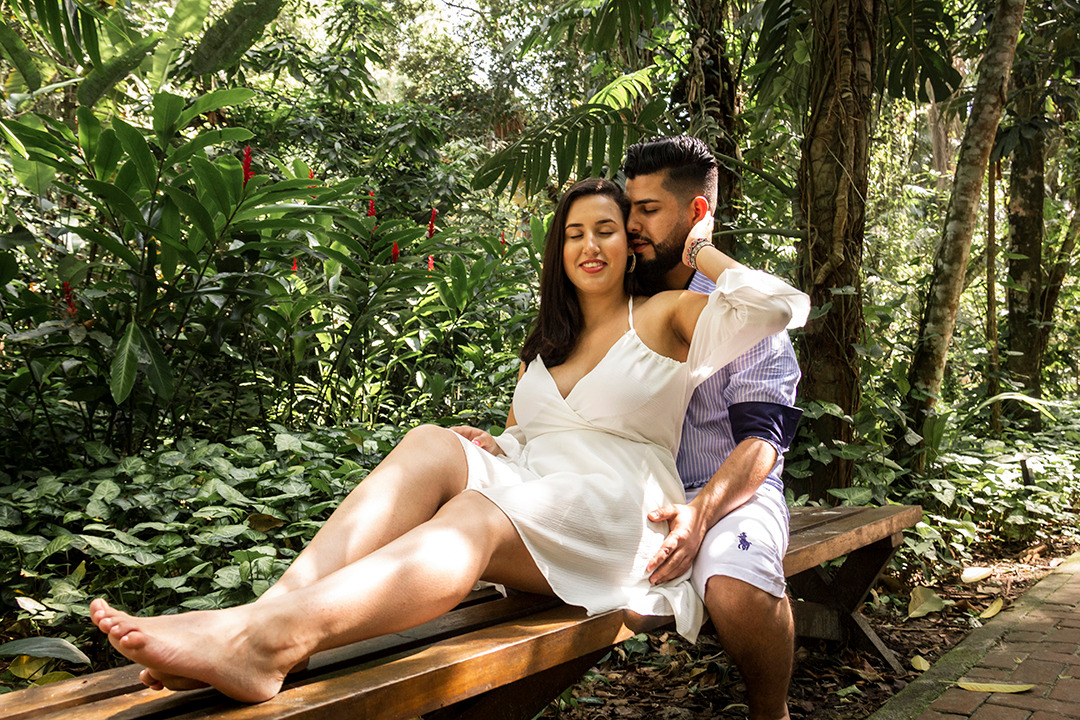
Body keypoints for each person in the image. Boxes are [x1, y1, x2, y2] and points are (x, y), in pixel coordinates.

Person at [89, 178, 808, 704]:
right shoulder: (546, 345)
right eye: (574, 232)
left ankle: (268, 642)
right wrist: (494, 441)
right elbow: (538, 432)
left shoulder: (666, 314)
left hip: (623, 505)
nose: (590, 244)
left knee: (472, 518)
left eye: (608, 229)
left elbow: (778, 308)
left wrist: (702, 250)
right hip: (542, 484)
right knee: (431, 440)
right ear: (557, 249)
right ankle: (253, 626)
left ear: (633, 244)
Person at [623, 136, 802, 720]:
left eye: (648, 210)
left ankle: (769, 712)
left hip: (726, 493)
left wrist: (700, 516)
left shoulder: (738, 305)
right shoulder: (620, 295)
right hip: (633, 489)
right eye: (628, 209)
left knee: (735, 584)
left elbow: (763, 441)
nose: (631, 225)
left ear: (698, 214)